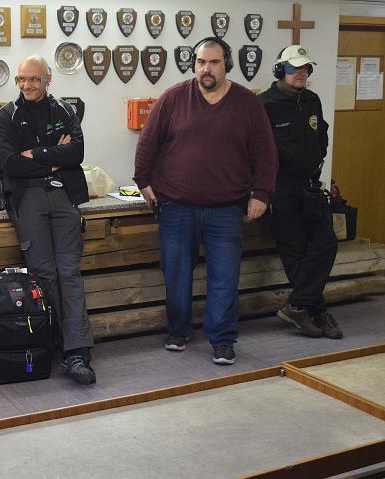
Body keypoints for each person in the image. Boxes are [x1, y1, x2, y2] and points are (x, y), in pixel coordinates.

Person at [134, 38, 278, 365]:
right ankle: (178, 330)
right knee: (176, 275)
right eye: (201, 62)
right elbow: (147, 142)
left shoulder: (247, 103)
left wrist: (261, 193)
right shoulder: (173, 98)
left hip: (226, 209)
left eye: (213, 62)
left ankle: (223, 340)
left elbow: (265, 153)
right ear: (194, 65)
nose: (206, 69)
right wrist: (143, 181)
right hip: (176, 206)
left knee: (224, 279)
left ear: (227, 64)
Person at [0, 55, 96, 384]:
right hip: (27, 197)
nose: (27, 85)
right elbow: (11, 164)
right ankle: (54, 343)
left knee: (69, 272)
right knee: (44, 274)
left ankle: (77, 352)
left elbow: (76, 153)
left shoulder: (64, 110)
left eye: (34, 79)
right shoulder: (6, 115)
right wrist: (54, 158)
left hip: (64, 194)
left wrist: (36, 155)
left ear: (48, 79)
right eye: (21, 79)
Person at [258, 45, 343, 340]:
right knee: (295, 254)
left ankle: (297, 305)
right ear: (280, 70)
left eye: (306, 68)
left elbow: (321, 135)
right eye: (294, 68)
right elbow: (255, 150)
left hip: (310, 187)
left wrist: (318, 156)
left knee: (326, 243)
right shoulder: (264, 104)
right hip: (280, 189)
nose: (301, 73)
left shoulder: (312, 100)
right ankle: (316, 312)